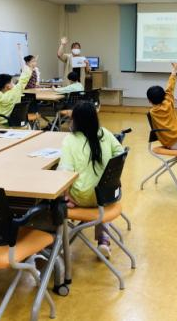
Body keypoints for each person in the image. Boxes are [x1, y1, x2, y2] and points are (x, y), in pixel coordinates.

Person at [57, 102, 124, 258]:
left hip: (82, 197)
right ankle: (103, 240)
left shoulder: (70, 140)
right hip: (109, 194)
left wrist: (66, 196)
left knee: (52, 195)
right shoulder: (105, 133)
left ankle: (56, 243)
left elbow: (64, 173)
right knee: (100, 190)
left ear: (75, 120)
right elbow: (120, 154)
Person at [146, 63, 177, 174]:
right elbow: (170, 87)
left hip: (169, 144)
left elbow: (168, 90)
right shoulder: (168, 102)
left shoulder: (152, 112)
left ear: (149, 100)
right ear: (164, 96)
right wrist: (174, 70)